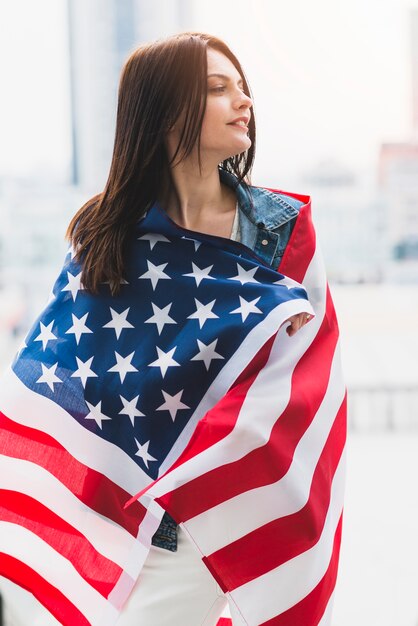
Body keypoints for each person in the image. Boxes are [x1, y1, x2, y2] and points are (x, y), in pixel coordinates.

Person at [0, 30, 345, 626]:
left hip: (256, 505)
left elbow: (305, 374)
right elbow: (68, 371)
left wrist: (207, 442)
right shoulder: (106, 234)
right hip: (155, 521)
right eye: (218, 89)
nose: (243, 103)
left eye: (243, 89)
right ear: (163, 114)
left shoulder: (283, 229)